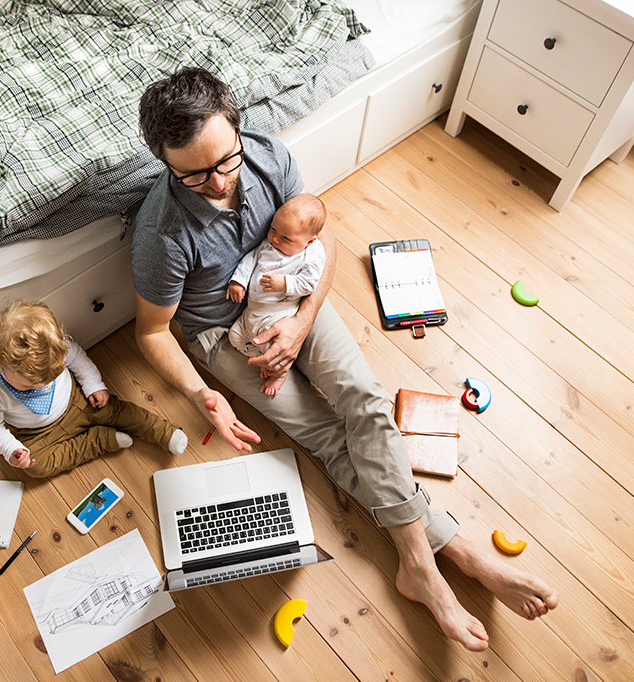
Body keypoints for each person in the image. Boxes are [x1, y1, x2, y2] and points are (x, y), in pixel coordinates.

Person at [131, 67, 557, 650]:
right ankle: (444, 554)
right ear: (164, 161)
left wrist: (302, 323)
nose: (218, 182)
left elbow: (322, 238)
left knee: (367, 400)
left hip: (290, 293)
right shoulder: (160, 232)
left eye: (225, 160)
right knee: (328, 435)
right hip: (226, 331)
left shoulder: (265, 156)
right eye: (193, 173)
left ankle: (423, 565)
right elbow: (153, 332)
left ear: (238, 130)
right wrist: (202, 394)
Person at [0, 300, 187, 477]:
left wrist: (94, 385)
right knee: (36, 466)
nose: (44, 386)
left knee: (118, 410)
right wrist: (11, 450)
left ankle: (164, 432)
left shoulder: (56, 345)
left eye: (52, 377)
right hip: (37, 433)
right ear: (0, 362)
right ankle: (99, 440)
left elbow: (79, 361)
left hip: (79, 401)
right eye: (30, 386)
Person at [226, 192, 327, 395]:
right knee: (234, 337)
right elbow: (251, 258)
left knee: (273, 346)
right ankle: (265, 358)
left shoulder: (312, 255)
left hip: (277, 314)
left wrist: (285, 283)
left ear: (309, 241)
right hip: (252, 312)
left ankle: (279, 373)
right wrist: (238, 280)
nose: (274, 239)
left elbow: (309, 284)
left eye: (286, 238)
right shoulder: (269, 244)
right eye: (273, 229)